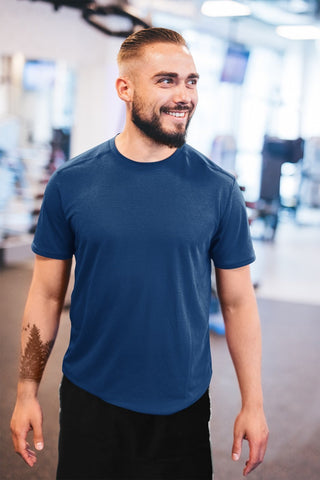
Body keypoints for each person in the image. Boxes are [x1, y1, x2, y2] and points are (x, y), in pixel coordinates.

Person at [10, 27, 268, 479]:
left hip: (181, 407)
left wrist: (254, 403)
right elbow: (47, 295)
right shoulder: (71, 183)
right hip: (92, 399)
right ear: (124, 89)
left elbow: (237, 301)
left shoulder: (218, 189)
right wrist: (27, 390)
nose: (184, 95)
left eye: (191, 81)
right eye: (167, 80)